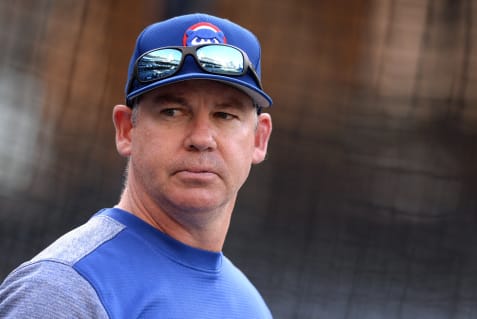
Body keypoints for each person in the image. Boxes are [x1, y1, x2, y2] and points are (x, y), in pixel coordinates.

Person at [0, 13, 273, 318]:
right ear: (126, 130)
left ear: (259, 138)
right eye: (172, 112)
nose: (201, 138)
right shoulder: (64, 290)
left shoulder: (250, 306)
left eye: (225, 115)